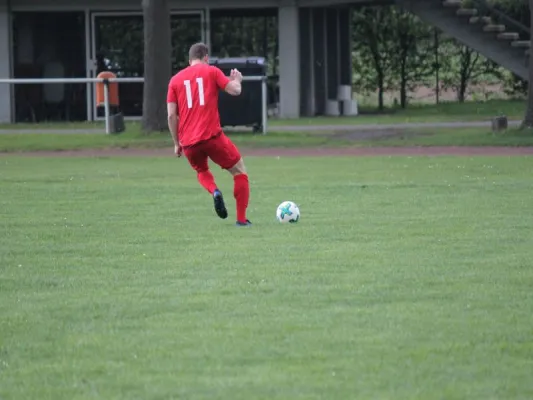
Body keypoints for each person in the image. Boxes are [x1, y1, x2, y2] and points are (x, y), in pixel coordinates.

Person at [166, 43, 251, 227]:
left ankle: (214, 191)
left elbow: (172, 115)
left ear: (189, 61)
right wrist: (237, 79)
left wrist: (176, 143)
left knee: (202, 171)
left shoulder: (175, 80)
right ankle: (241, 220)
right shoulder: (211, 71)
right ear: (206, 57)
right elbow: (235, 90)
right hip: (212, 137)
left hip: (188, 142)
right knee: (239, 171)